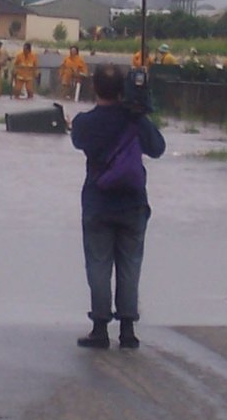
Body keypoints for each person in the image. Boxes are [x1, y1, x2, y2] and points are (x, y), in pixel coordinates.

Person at [70, 63, 166, 350]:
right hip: (133, 205)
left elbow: (78, 140)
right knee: (130, 266)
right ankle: (127, 331)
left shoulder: (85, 123)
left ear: (94, 87)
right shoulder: (135, 121)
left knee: (98, 266)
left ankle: (100, 329)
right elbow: (158, 148)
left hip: (98, 203)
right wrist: (139, 114)